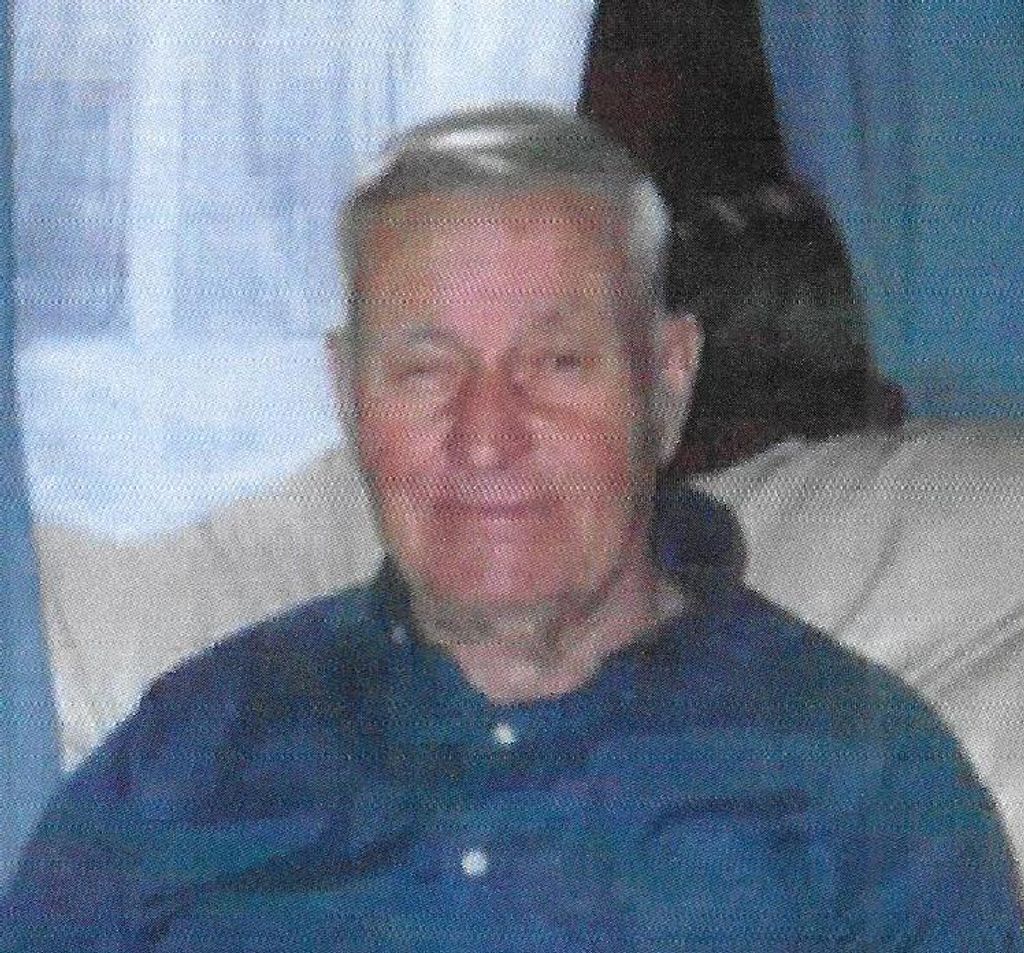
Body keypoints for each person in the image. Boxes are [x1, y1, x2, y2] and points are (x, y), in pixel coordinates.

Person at [2, 104, 1021, 951]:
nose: (486, 437)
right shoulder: (189, 754)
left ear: (667, 384)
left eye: (556, 362)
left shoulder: (862, 779)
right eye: (425, 370)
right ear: (349, 398)